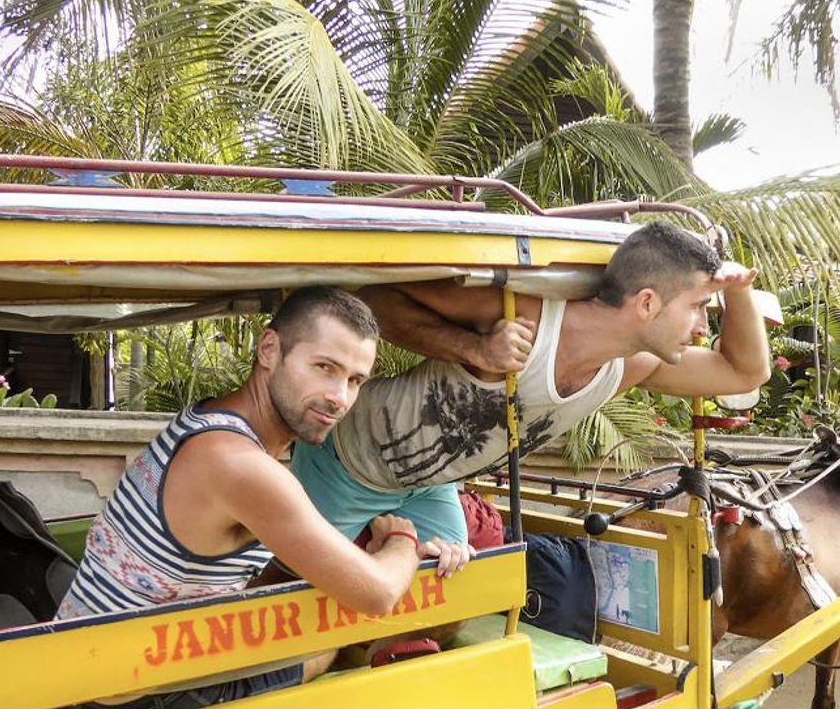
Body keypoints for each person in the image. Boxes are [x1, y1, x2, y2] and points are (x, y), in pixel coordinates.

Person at [55, 286, 471, 709]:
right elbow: (378, 593)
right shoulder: (240, 465)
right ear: (269, 349)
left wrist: (374, 557)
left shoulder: (212, 426)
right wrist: (404, 541)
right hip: (128, 701)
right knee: (323, 646)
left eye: (354, 380)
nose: (339, 398)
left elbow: (277, 568)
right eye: (324, 368)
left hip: (93, 671)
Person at [290, 222, 772, 545]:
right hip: (348, 462)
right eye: (696, 308)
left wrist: (741, 288)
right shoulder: (524, 316)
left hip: (428, 486)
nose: (702, 329)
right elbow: (372, 302)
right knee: (289, 595)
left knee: (454, 601)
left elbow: (744, 373)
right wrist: (473, 350)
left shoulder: (632, 365)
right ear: (646, 303)